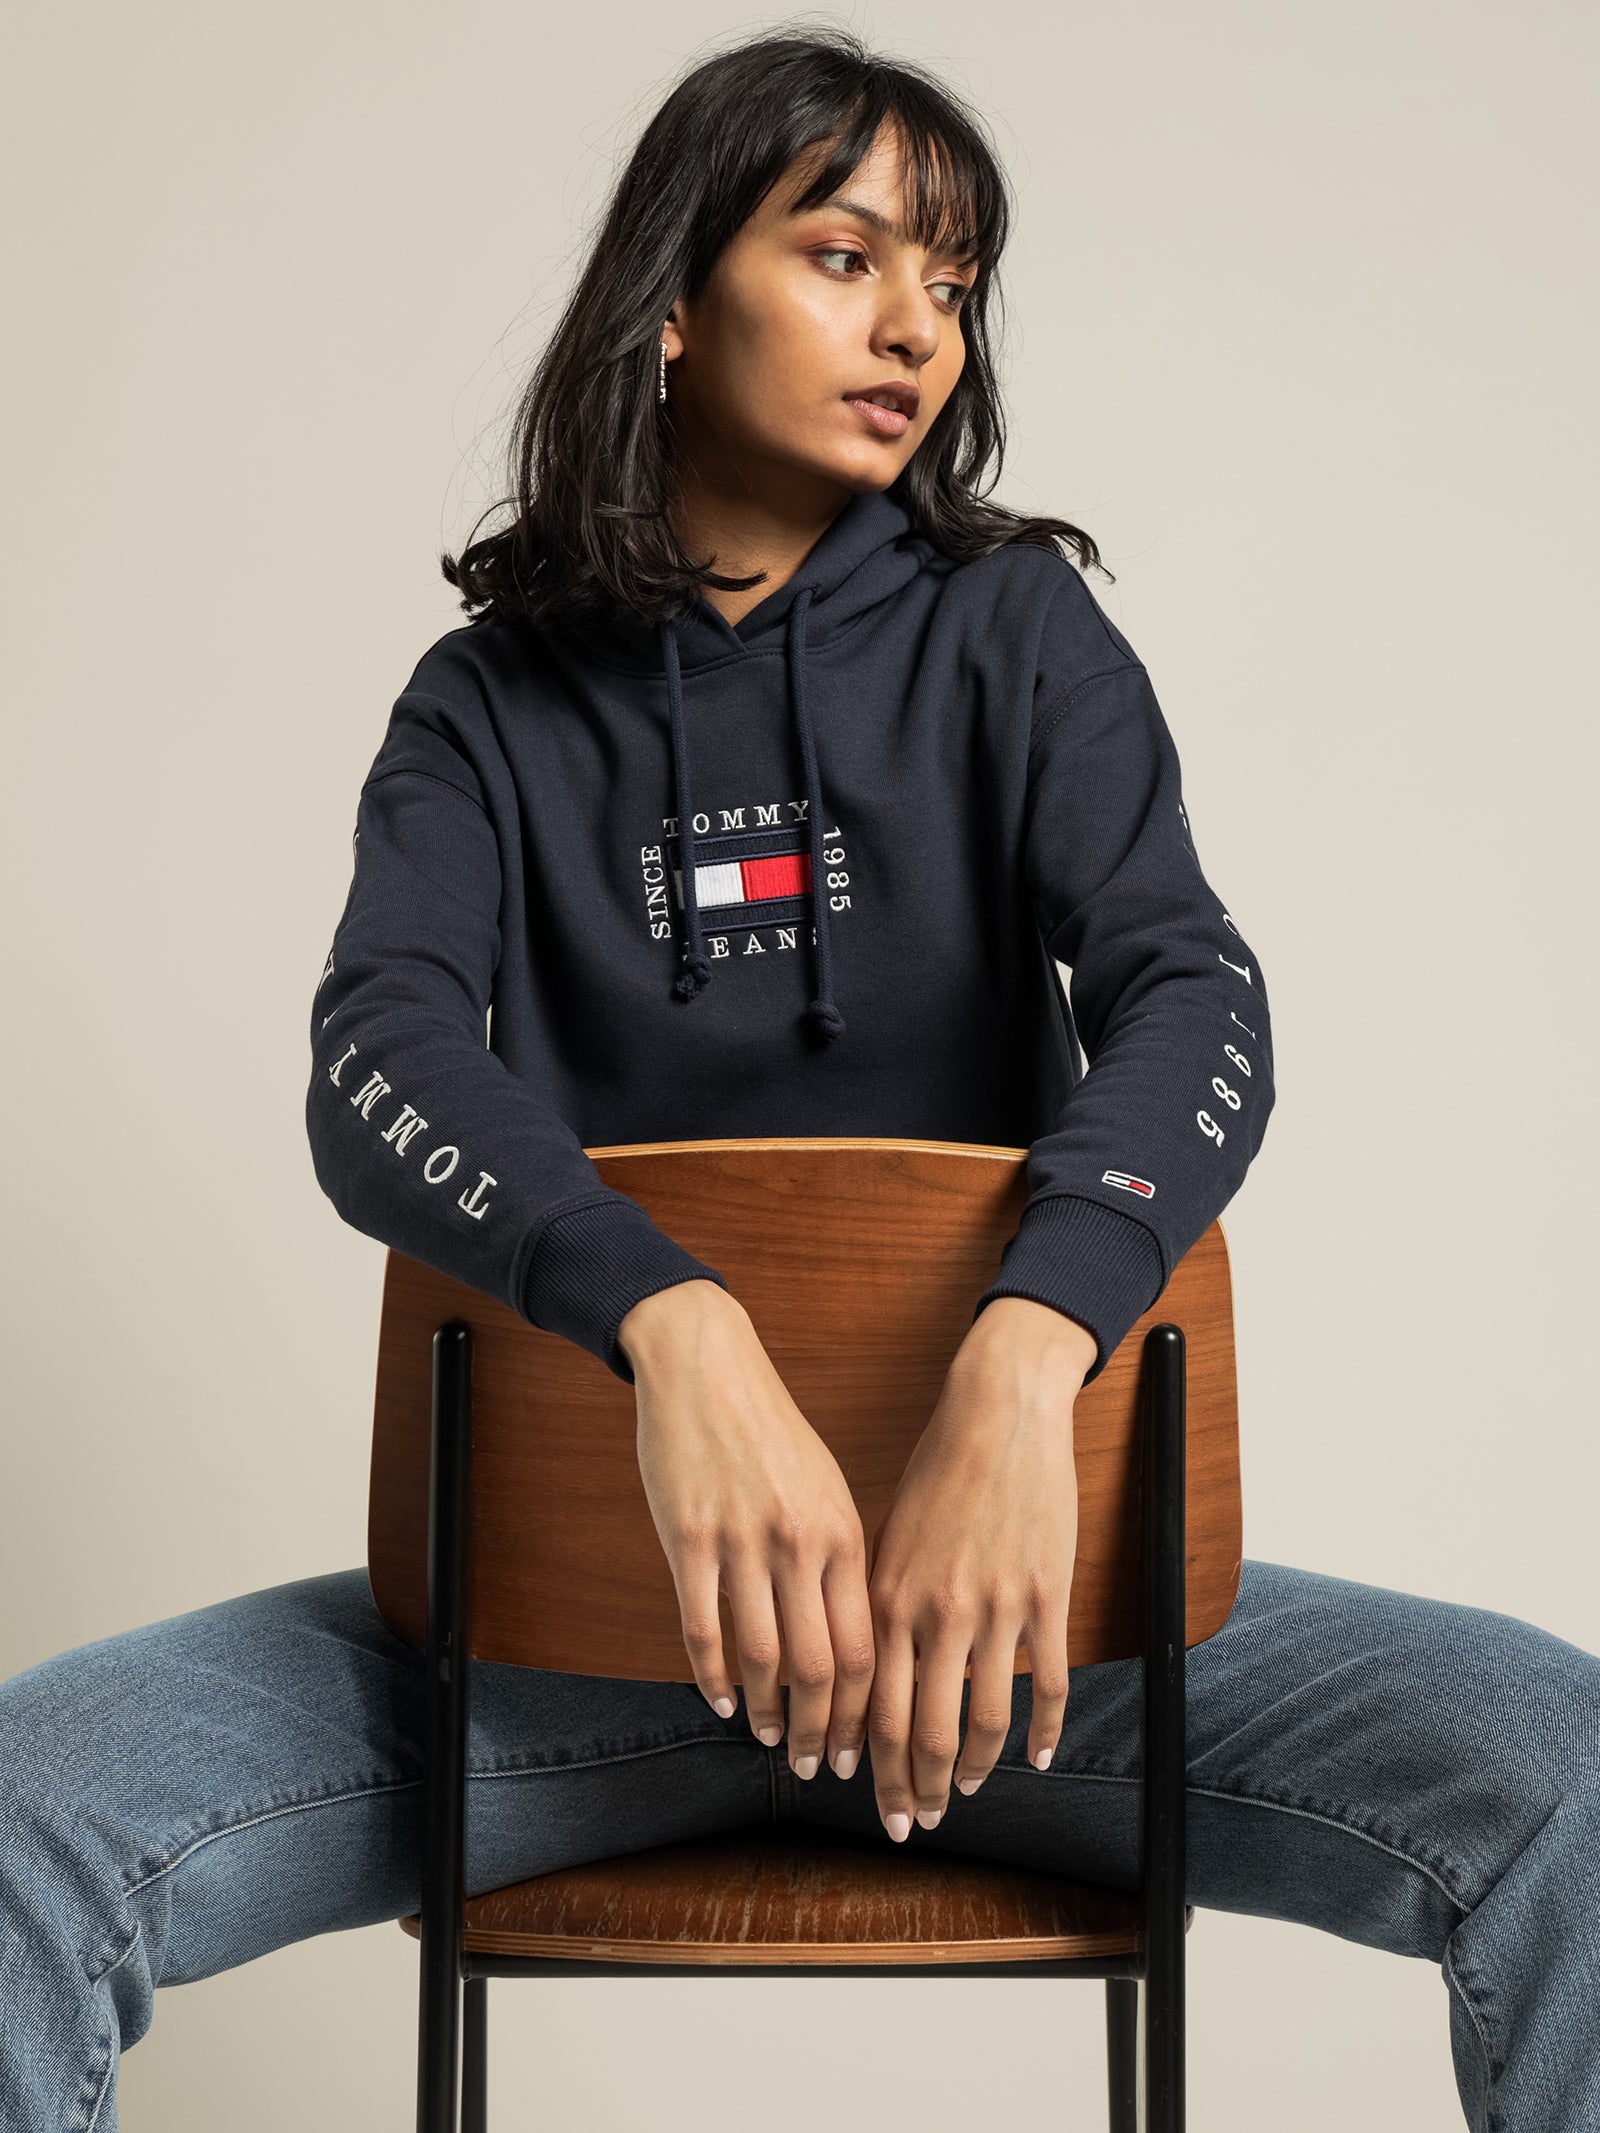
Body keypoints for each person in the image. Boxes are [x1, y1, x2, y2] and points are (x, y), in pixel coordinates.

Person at [2, 28, 1596, 2133]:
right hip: (571, 1676)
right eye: (847, 256)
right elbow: (375, 1053)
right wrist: (676, 1325)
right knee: (25, 1812)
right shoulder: (483, 709)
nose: (918, 325)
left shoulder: (1016, 635)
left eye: (952, 279)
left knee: (1570, 1772)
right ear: (672, 297)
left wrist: (1025, 1355)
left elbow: (1194, 994)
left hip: (1020, 1662)